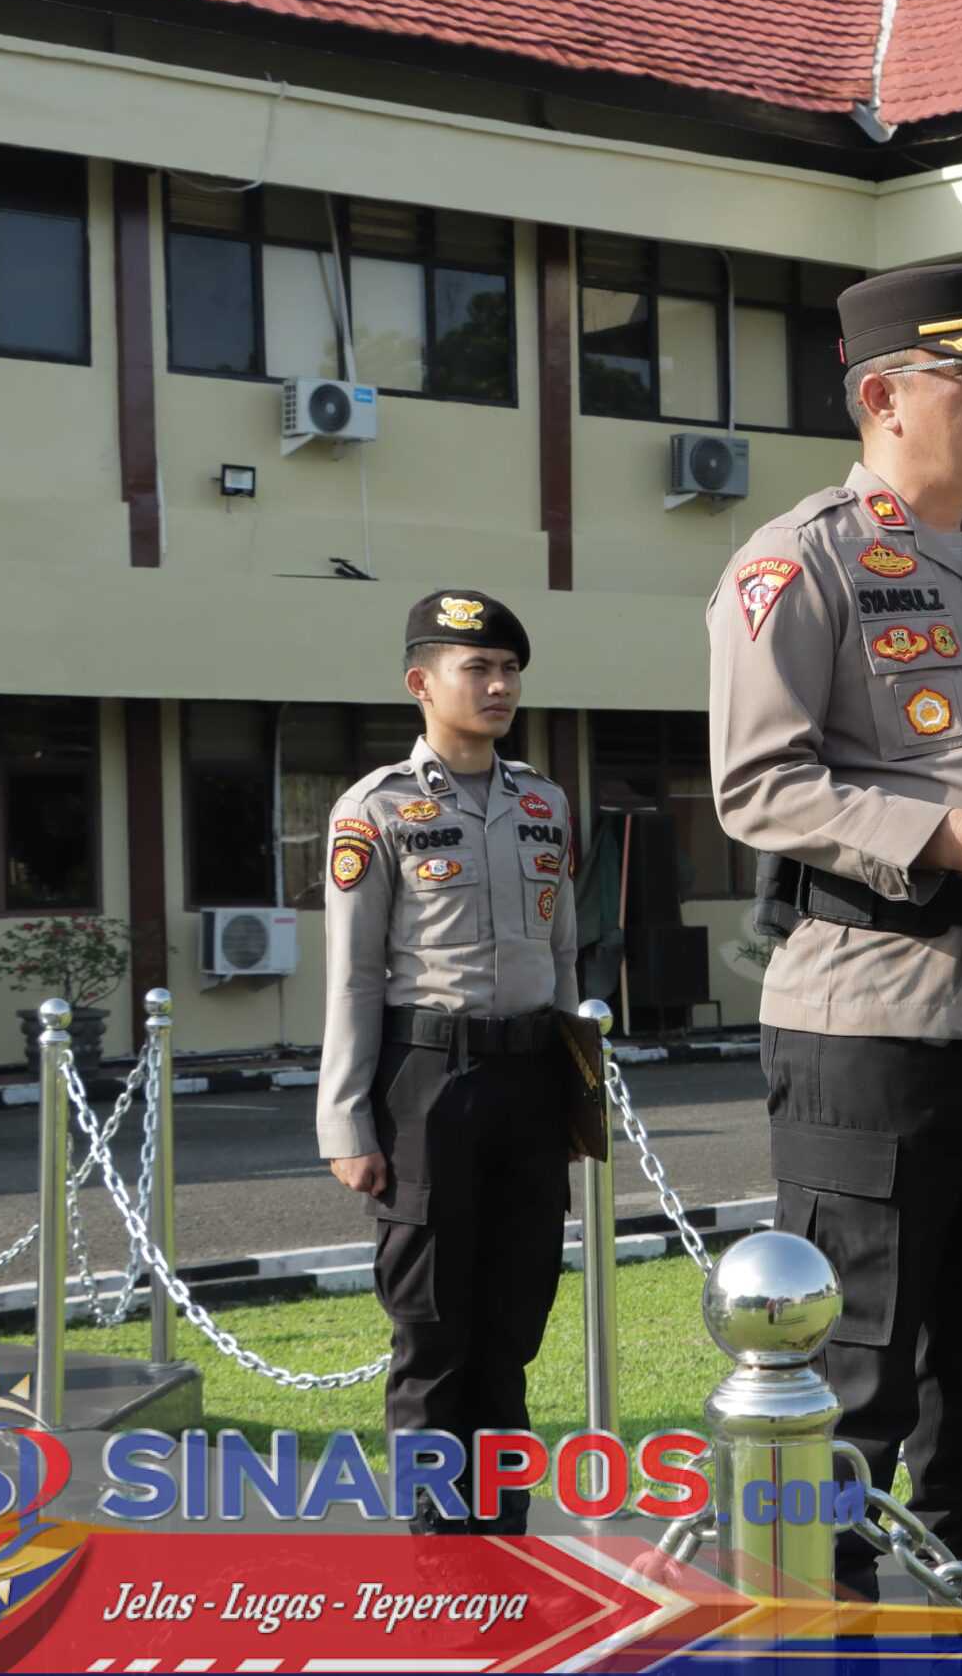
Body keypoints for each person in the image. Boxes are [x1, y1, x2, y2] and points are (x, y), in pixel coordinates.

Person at [706, 262, 962, 1601]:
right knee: (854, 1355)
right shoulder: (796, 560)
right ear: (883, 396)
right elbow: (755, 783)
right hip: (874, 1013)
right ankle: (815, 1608)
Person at [316, 590, 580, 1535]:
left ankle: (503, 1534)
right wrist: (345, 1121)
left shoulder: (544, 801)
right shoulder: (375, 809)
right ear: (421, 682)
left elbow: (566, 959)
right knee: (431, 1327)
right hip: (426, 1081)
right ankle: (436, 1551)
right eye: (480, 667)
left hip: (530, 1081)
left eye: (510, 667)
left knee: (512, 1321)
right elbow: (351, 975)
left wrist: (578, 1097)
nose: (501, 684)